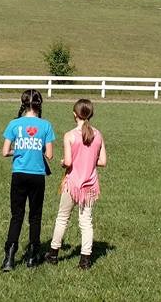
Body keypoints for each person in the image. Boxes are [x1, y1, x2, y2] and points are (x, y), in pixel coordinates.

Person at [45, 99, 108, 270]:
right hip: (90, 185)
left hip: (72, 183)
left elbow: (68, 162)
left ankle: (53, 253)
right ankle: (85, 259)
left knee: (62, 218)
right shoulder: (98, 134)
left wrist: (62, 163)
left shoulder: (70, 135)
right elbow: (102, 161)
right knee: (86, 221)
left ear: (75, 114)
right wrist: (89, 160)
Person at [0, 89, 55, 272]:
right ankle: (33, 254)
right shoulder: (46, 126)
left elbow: (5, 151)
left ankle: (9, 256)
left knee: (17, 215)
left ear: (23, 104)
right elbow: (50, 154)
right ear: (39, 105)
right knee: (35, 215)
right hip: (37, 175)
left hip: (19, 173)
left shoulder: (14, 124)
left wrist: (19, 150)